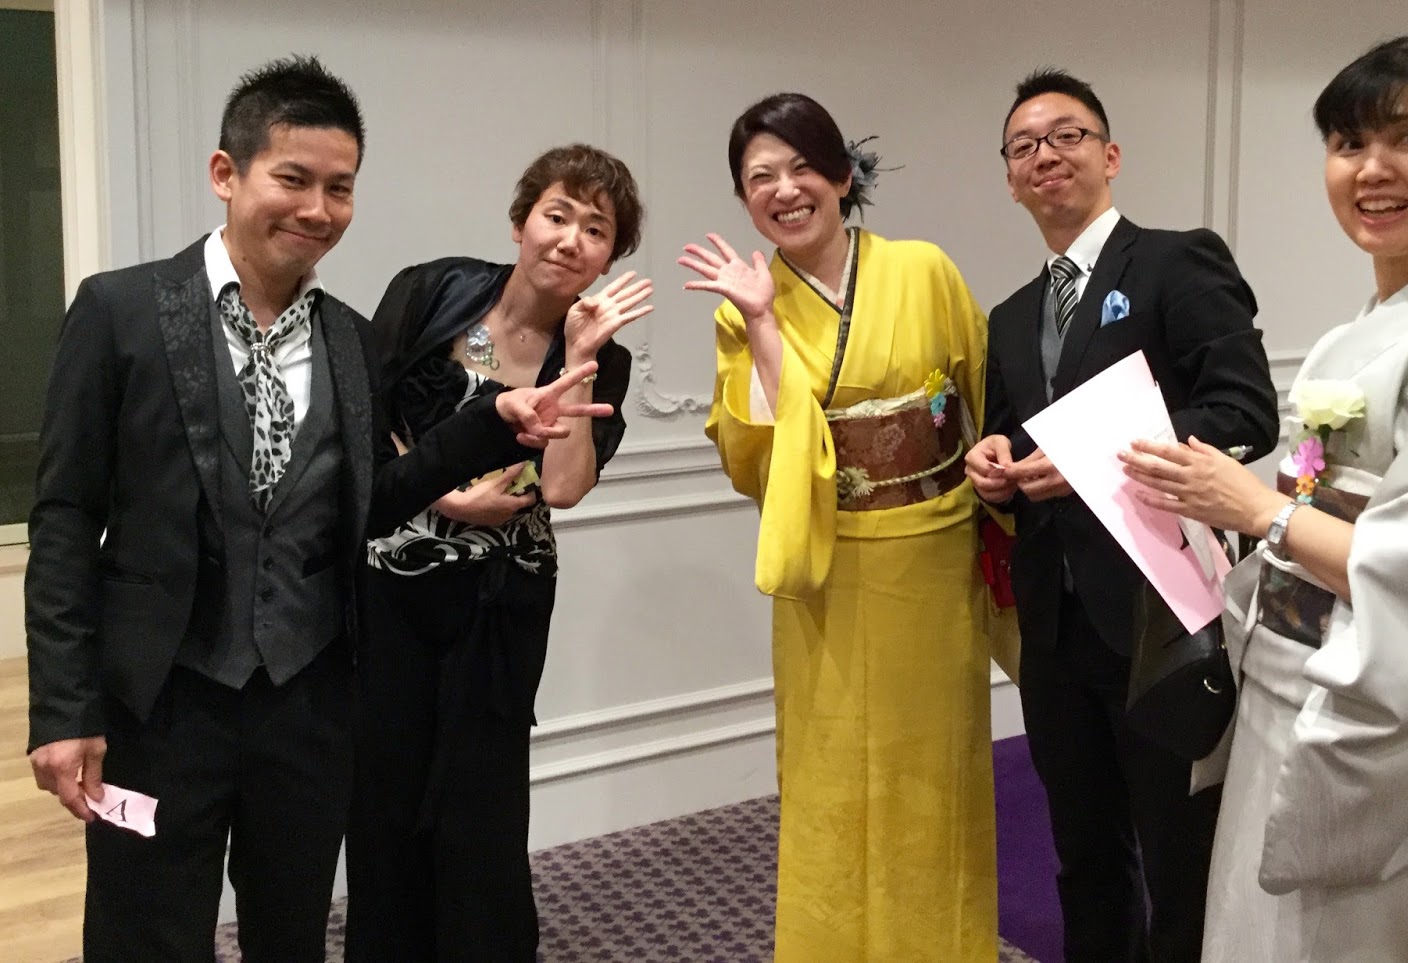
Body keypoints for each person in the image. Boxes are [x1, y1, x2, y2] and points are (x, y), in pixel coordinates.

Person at [23, 56, 602, 962]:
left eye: (340, 187)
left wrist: (490, 423)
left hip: (308, 705)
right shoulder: (120, 311)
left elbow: (373, 501)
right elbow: (63, 518)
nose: (318, 209)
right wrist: (64, 709)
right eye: (293, 179)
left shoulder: (350, 339)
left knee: (291, 934)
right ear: (227, 173)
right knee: (145, 934)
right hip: (157, 705)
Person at [1119, 34, 1408, 960]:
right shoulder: (1362, 329)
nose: (1372, 169)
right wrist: (1234, 505)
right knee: (1248, 931)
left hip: (1376, 704)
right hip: (1287, 676)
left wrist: (1263, 512)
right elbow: (1312, 500)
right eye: (1347, 143)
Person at [964, 68, 1279, 960]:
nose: (1045, 154)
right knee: (1084, 852)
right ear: (1010, 178)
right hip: (1055, 627)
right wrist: (991, 461)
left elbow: (1245, 413)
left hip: (1162, 612)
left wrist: (1097, 458)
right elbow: (1012, 434)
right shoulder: (1011, 316)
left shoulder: (1177, 261)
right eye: (1024, 146)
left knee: (1179, 854)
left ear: (1109, 156)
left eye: (1066, 135)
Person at [679, 92, 998, 960]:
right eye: (760, 178)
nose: (784, 190)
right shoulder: (744, 304)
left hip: (934, 552)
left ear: (843, 176)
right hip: (828, 560)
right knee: (829, 768)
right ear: (744, 198)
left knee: (936, 766)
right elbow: (757, 453)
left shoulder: (923, 269)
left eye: (802, 168)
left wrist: (1003, 475)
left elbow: (986, 392)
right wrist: (759, 319)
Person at [345, 144, 645, 961]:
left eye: (596, 229)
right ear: (521, 222)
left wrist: (578, 360)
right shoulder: (434, 291)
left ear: (609, 258)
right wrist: (446, 495)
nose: (570, 239)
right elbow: (366, 416)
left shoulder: (605, 355)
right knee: (385, 787)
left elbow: (566, 487)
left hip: (502, 600)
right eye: (557, 215)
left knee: (481, 800)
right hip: (393, 580)